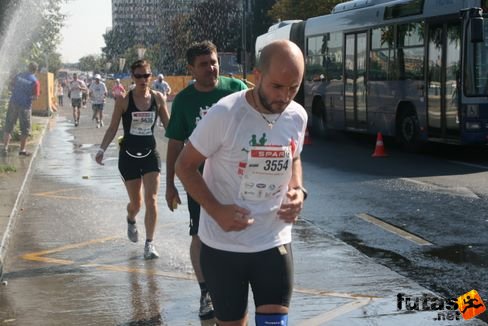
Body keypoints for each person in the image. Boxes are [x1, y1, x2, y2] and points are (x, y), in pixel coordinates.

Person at [174, 40, 308, 326]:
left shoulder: (297, 115)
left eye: (293, 88)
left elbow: (294, 157)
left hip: (274, 240)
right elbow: (184, 165)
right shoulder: (225, 113)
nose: (285, 97)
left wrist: (297, 190)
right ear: (257, 77)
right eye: (277, 86)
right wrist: (216, 209)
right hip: (224, 247)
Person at [164, 40, 247, 320]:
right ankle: (206, 292)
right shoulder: (185, 100)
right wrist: (170, 184)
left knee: (242, 227)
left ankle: (242, 285)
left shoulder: (236, 89)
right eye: (203, 64)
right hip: (200, 182)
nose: (211, 68)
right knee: (199, 234)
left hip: (239, 180)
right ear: (191, 69)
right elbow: (175, 145)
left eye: (213, 62)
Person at [95, 60, 169, 260]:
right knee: (136, 204)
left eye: (146, 75)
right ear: (132, 77)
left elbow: (170, 127)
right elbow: (112, 128)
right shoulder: (124, 101)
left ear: (151, 76)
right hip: (128, 156)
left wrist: (189, 144)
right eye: (139, 76)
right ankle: (130, 219)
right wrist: (102, 149)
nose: (143, 80)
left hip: (150, 155)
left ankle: (150, 243)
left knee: (152, 199)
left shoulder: (158, 98)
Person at [2, 62, 40, 156]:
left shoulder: (19, 75)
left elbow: (10, 86)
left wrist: (16, 92)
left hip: (13, 103)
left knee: (9, 125)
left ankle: (5, 148)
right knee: (25, 128)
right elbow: (35, 97)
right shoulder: (35, 81)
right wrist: (28, 96)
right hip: (25, 106)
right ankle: (22, 150)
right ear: (36, 70)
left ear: (28, 68)